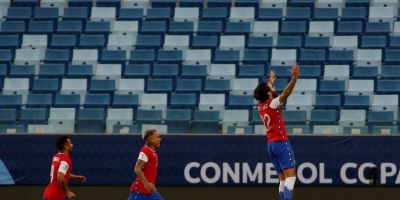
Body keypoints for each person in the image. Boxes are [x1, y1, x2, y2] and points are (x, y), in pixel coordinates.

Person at [253, 64, 300, 200]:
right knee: (291, 178)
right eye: (271, 88)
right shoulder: (273, 104)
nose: (273, 88)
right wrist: (294, 79)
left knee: (282, 179)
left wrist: (269, 84)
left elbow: (265, 95)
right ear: (268, 94)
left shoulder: (260, 106)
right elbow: (286, 93)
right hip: (281, 143)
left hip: (270, 145)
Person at [128, 129, 163, 200]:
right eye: (157, 137)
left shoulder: (152, 152)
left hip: (150, 192)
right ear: (151, 139)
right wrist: (146, 183)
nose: (160, 139)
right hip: (139, 191)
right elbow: (137, 168)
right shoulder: (145, 151)